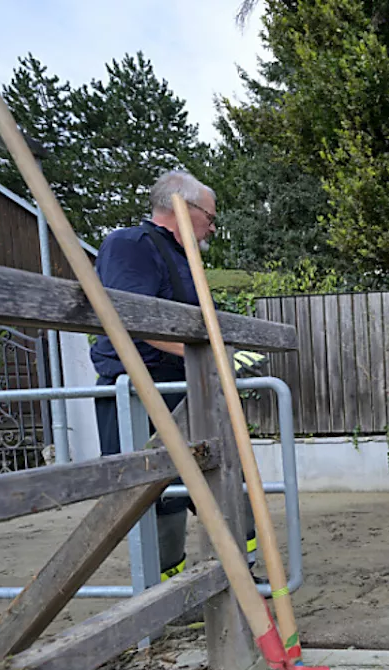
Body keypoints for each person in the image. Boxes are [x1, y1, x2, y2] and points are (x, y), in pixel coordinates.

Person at [90, 169, 259, 582]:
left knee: (224, 479)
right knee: (157, 493)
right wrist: (209, 356)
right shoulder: (130, 246)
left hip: (186, 386)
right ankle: (167, 589)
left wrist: (217, 357)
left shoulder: (183, 258)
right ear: (181, 207)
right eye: (210, 216)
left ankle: (243, 572)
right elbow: (130, 319)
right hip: (142, 390)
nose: (213, 227)